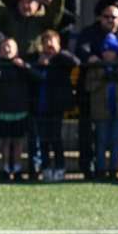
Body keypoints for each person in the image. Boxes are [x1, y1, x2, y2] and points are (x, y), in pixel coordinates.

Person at [80, 35, 118, 181]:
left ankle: (113, 170)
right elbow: (89, 86)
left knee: (115, 141)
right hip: (100, 109)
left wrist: (117, 74)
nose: (108, 53)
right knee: (101, 141)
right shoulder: (95, 67)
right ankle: (101, 169)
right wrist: (103, 75)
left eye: (111, 50)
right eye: (105, 50)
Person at [28, 30, 77, 181]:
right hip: (39, 106)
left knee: (56, 138)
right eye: (46, 42)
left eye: (52, 42)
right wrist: (39, 64)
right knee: (42, 140)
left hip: (55, 106)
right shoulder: (35, 59)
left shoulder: (62, 59)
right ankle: (46, 168)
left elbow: (75, 62)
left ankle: (60, 167)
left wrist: (57, 54)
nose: (49, 45)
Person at [0, 37, 36, 182]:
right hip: (3, 110)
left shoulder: (21, 66)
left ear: (16, 50)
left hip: (20, 110)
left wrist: (25, 66)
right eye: (4, 47)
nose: (7, 49)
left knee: (18, 141)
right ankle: (6, 169)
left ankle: (17, 169)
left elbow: (37, 77)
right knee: (5, 141)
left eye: (10, 47)